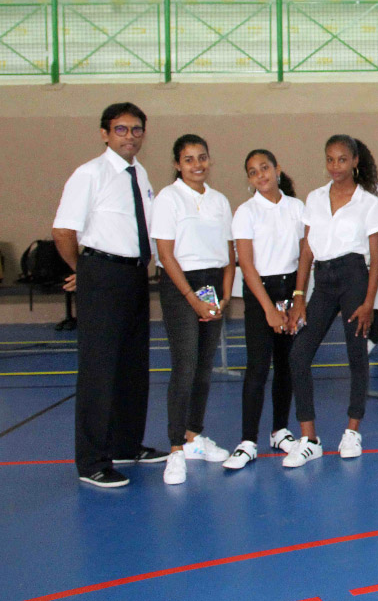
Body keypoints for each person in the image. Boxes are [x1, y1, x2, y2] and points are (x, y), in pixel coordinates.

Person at [52, 102, 168, 488]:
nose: (130, 136)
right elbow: (63, 231)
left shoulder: (140, 173)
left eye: (136, 129)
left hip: (134, 276)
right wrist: (84, 271)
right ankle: (92, 462)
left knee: (132, 366)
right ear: (105, 133)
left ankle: (125, 445)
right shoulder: (89, 174)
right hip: (102, 275)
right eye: (121, 129)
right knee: (99, 371)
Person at [284, 135, 378, 467]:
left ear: (355, 161)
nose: (335, 166)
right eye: (330, 159)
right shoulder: (314, 198)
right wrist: (299, 296)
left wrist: (369, 301)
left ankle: (352, 431)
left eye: (342, 159)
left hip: (354, 277)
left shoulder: (368, 202)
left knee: (357, 354)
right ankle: (309, 438)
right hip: (323, 281)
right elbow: (307, 250)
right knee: (299, 354)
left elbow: (375, 258)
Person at [151, 134, 236, 484]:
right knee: (185, 365)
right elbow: (165, 253)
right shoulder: (168, 199)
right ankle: (175, 449)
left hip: (212, 285)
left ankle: (193, 437)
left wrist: (225, 294)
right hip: (180, 286)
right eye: (188, 159)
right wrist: (191, 297)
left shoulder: (219, 201)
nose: (197, 165)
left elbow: (229, 253)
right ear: (177, 164)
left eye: (202, 157)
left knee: (203, 367)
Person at [224, 149, 305, 471]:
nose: (260, 175)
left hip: (290, 289)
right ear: (249, 178)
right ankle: (247, 441)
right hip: (261, 293)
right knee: (258, 367)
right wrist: (269, 308)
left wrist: (298, 298)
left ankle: (280, 430)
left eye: (265, 168)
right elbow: (246, 263)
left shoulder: (297, 208)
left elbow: (305, 256)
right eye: (253, 171)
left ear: (277, 169)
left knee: (287, 365)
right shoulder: (246, 212)